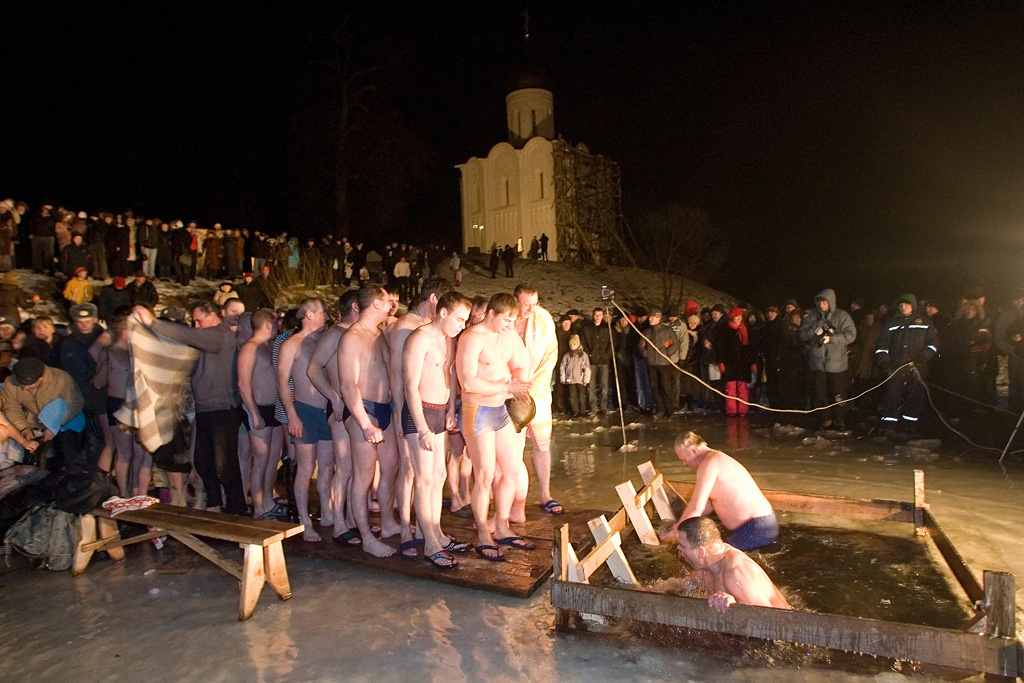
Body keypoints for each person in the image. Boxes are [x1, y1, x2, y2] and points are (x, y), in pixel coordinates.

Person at [133, 302, 247, 515]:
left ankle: (237, 509)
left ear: (213, 316)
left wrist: (153, 323)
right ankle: (214, 504)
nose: (196, 325)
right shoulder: (204, 338)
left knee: (224, 464)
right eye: (193, 321)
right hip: (205, 407)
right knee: (202, 461)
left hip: (222, 408)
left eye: (198, 320)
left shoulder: (219, 334)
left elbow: (186, 335)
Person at [455, 293, 532, 561]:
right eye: (506, 320)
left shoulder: (508, 335)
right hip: (476, 411)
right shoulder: (472, 338)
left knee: (511, 470)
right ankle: (483, 535)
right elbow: (467, 382)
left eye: (513, 321)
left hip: (500, 409)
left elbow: (520, 364)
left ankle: (501, 524)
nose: (509, 325)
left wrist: (519, 383)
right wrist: (507, 386)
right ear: (491, 314)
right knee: (485, 474)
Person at [403, 291, 473, 569]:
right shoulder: (419, 338)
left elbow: (449, 375)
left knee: (439, 475)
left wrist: (450, 410)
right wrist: (421, 428)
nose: (462, 325)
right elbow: (409, 385)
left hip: (440, 411)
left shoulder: (446, 340)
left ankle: (436, 533)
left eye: (465, 320)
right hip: (420, 412)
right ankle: (430, 545)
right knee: (424, 479)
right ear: (443, 312)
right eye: (459, 319)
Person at [388, 277, 454, 558]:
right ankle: (406, 529)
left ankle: (429, 531)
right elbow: (398, 374)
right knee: (409, 470)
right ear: (435, 300)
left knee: (434, 474)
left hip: (433, 409)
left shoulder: (437, 331)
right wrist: (399, 416)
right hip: (412, 408)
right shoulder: (407, 326)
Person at [339, 285, 402, 557]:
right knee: (363, 475)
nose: (392, 305)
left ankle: (387, 523)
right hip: (363, 409)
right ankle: (366, 536)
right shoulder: (351, 337)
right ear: (375, 304)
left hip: (384, 407)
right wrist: (365, 423)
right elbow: (348, 385)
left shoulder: (378, 334)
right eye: (387, 301)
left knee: (391, 467)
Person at [661, 431, 777, 551]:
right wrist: (681, 522)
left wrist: (677, 531)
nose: (684, 464)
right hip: (763, 524)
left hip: (754, 528)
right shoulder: (716, 458)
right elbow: (706, 505)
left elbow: (696, 507)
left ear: (694, 450)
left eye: (684, 459)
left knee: (714, 558)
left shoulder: (709, 462)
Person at [306, 290, 360, 544]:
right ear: (356, 306)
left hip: (359, 406)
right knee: (345, 467)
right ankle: (339, 523)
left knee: (358, 468)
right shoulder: (335, 334)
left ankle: (351, 518)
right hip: (340, 407)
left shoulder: (361, 333)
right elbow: (313, 368)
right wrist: (334, 398)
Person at [277, 298, 331, 541]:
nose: (326, 316)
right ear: (309, 314)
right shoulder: (292, 343)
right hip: (304, 410)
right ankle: (303, 521)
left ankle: (327, 512)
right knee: (306, 468)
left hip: (326, 411)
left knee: (327, 467)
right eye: (322, 312)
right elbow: (282, 381)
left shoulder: (322, 341)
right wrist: (292, 415)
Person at [511, 283, 562, 517]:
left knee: (542, 443)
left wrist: (535, 384)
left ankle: (545, 494)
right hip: (509, 392)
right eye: (526, 304)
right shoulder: (506, 318)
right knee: (512, 448)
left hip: (538, 391)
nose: (531, 309)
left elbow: (551, 354)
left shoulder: (544, 319)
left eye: (534, 304)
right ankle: (512, 498)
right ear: (516, 301)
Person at [672, 516, 791, 613]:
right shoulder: (704, 568)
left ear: (700, 552)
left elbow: (769, 619)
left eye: (682, 546)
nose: (678, 549)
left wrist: (736, 607)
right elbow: (683, 584)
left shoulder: (736, 576)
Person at [238, 307, 285, 519]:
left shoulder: (269, 346)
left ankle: (267, 500)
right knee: (261, 460)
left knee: (273, 458)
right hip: (258, 407)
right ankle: (258, 506)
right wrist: (254, 413)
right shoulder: (250, 347)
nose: (277, 327)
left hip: (274, 408)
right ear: (267, 324)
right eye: (275, 323)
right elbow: (243, 383)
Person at [2, 357, 83, 470]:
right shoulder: (10, 382)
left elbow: (74, 403)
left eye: (29, 385)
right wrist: (24, 428)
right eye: (21, 385)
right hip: (33, 425)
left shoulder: (61, 378)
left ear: (41, 378)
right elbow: (12, 408)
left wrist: (53, 426)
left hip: (62, 423)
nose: (24, 388)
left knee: (65, 458)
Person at [875, 293, 938, 435]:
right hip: (895, 367)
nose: (903, 307)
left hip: (917, 367)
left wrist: (922, 359)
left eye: (906, 304)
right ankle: (888, 425)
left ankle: (909, 425)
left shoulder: (925, 322)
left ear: (913, 306)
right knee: (891, 396)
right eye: (901, 304)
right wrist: (885, 362)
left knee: (915, 396)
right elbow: (882, 345)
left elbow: (933, 344)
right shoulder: (891, 322)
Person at [797, 289, 856, 430]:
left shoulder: (842, 316)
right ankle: (825, 418)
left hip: (837, 364)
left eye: (824, 302)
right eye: (819, 303)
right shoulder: (813, 317)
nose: (821, 305)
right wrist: (813, 331)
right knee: (820, 393)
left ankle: (839, 418)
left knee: (838, 392)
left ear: (831, 302)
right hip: (818, 363)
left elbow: (851, 335)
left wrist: (832, 339)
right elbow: (801, 334)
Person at [640, 308, 680, 418]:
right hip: (651, 364)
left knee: (666, 387)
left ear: (658, 318)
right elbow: (640, 345)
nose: (650, 319)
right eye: (649, 317)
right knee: (654, 387)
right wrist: (646, 354)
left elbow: (675, 344)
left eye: (652, 317)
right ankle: (660, 409)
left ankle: (669, 409)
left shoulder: (667, 330)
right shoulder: (647, 332)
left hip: (664, 364)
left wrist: (667, 353)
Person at [579, 308, 612, 414]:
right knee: (591, 385)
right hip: (591, 361)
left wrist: (607, 355)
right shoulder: (587, 328)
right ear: (593, 315)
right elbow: (583, 342)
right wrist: (589, 354)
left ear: (603, 316)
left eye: (600, 315)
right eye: (596, 315)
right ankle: (593, 407)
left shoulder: (607, 328)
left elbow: (612, 343)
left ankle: (603, 406)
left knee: (604, 385)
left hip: (604, 360)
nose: (598, 317)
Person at [559, 334, 591, 418]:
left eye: (574, 344)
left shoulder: (583, 355)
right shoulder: (567, 355)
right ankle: (575, 412)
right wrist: (563, 378)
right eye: (571, 345)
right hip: (570, 379)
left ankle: (582, 411)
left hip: (580, 379)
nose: (572, 346)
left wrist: (586, 380)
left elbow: (587, 368)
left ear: (578, 344)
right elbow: (562, 367)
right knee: (572, 396)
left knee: (581, 396)